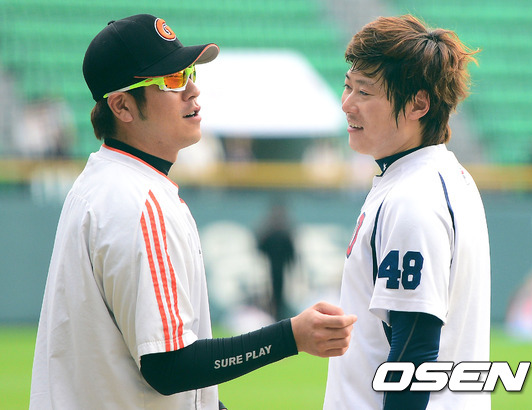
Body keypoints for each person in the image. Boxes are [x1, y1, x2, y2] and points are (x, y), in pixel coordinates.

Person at [30, 14, 356, 410]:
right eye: (171, 80)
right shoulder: (139, 200)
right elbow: (168, 366)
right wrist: (291, 336)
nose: (192, 89)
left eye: (189, 73)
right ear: (122, 106)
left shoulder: (106, 181)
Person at [323, 15, 490, 410]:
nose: (347, 104)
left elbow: (413, 355)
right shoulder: (439, 176)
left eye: (364, 92)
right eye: (348, 86)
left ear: (418, 104)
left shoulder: (413, 199)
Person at [257, 202, 296, 320]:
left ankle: (277, 315)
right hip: (272, 268)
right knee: (274, 293)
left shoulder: (273, 233)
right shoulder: (281, 233)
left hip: (275, 268)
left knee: (277, 293)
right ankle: (275, 315)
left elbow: (261, 247)